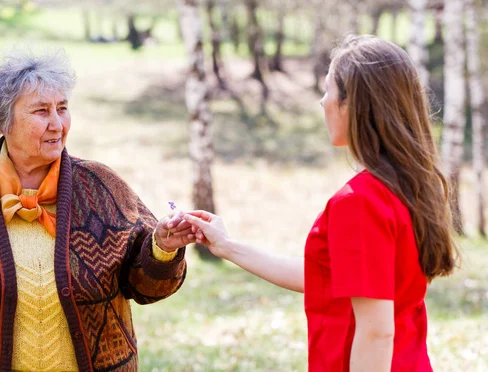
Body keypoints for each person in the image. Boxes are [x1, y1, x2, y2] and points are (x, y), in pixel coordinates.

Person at [0, 50, 195, 371]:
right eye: (41, 111)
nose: (57, 124)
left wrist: (162, 248)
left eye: (62, 108)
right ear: (3, 120)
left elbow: (148, 288)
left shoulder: (102, 187)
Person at [183, 35, 459, 372]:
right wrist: (228, 246)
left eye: (328, 89)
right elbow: (329, 278)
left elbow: (376, 332)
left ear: (352, 104)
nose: (322, 101)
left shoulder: (360, 203)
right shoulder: (408, 186)